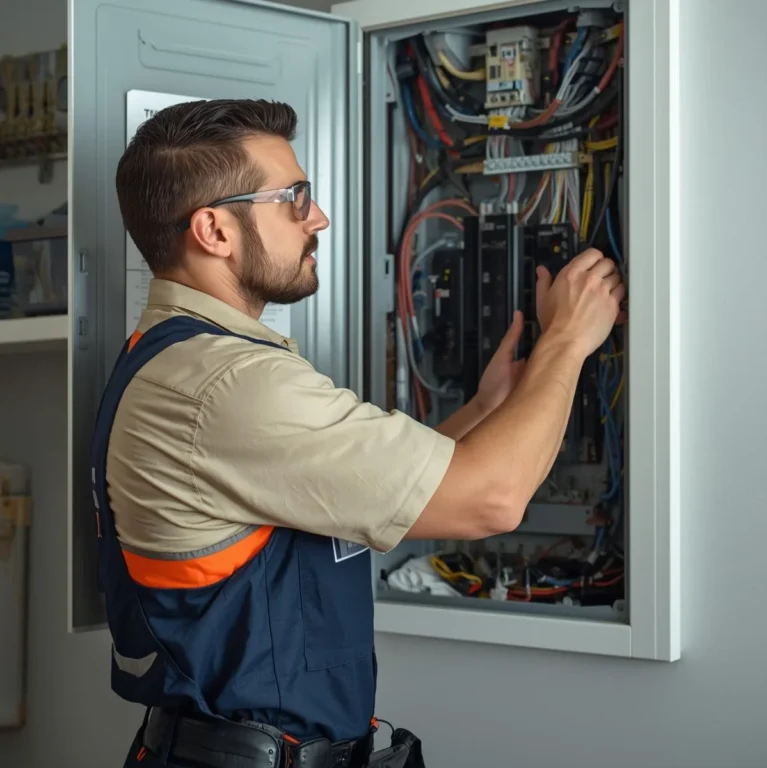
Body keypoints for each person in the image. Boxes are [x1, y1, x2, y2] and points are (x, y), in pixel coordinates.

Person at [92, 99, 625, 768]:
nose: (319, 216)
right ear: (214, 231)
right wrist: (569, 341)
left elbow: (363, 493)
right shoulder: (227, 386)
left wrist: (490, 407)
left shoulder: (180, 358)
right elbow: (494, 498)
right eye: (294, 197)